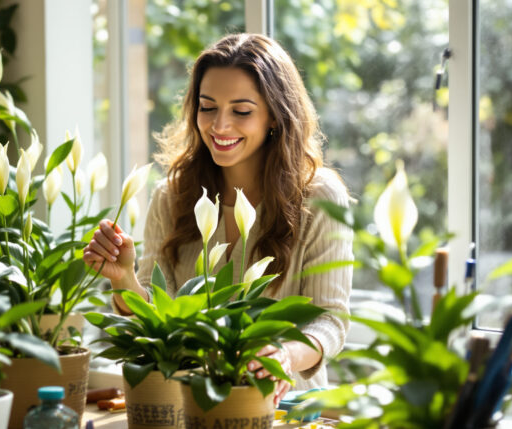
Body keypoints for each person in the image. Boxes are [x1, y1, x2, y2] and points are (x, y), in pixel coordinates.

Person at [82, 33, 353, 405]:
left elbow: (331, 321)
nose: (219, 126)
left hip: (282, 409)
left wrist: (284, 356)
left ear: (275, 115)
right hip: (191, 406)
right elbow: (156, 320)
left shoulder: (319, 199)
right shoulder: (173, 197)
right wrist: (123, 277)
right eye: (207, 107)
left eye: (241, 111)